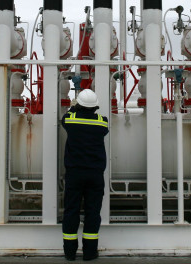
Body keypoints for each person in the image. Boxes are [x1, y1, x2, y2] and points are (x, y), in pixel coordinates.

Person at [61, 88, 109, 261]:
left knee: (71, 211)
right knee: (92, 213)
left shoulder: (70, 120)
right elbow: (103, 125)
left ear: (79, 105)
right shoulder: (102, 122)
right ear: (95, 106)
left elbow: (65, 118)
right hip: (95, 175)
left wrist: (73, 107)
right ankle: (89, 253)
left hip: (75, 174)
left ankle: (70, 252)